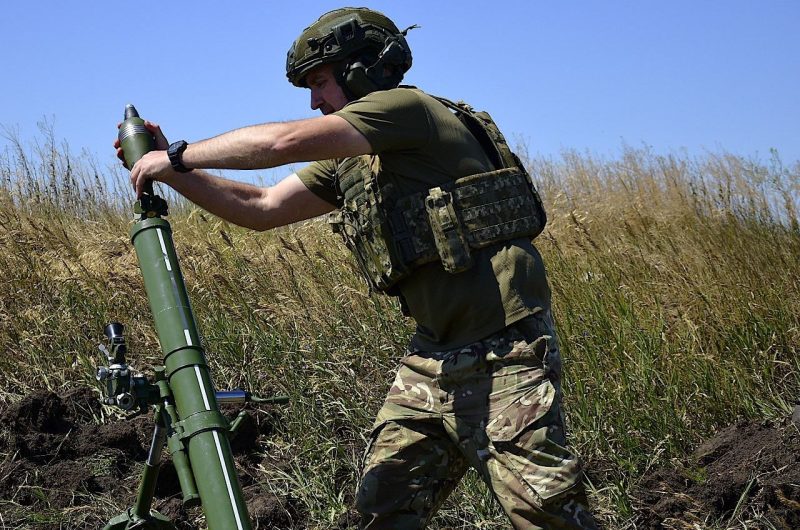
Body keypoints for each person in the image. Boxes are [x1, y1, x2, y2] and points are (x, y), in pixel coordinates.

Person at [116, 7, 598, 529]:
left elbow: (282, 143)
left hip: (505, 351)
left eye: (320, 82)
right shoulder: (357, 157)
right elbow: (262, 209)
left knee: (547, 516)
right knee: (379, 514)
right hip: (432, 361)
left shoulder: (406, 109)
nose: (314, 100)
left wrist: (183, 156)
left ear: (362, 71)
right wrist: (166, 165)